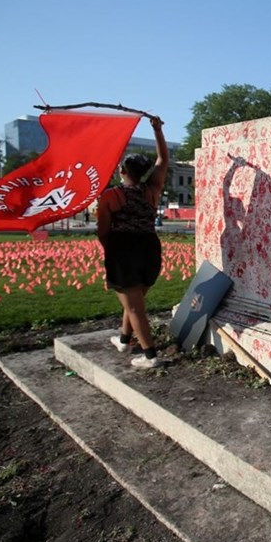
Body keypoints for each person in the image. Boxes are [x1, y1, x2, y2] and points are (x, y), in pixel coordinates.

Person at [97, 115, 169, 369]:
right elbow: (163, 160)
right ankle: (124, 340)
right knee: (134, 299)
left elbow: (102, 231)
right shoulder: (152, 190)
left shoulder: (110, 196)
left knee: (135, 307)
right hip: (149, 247)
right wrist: (158, 130)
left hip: (123, 250)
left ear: (122, 171)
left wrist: (112, 253)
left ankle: (150, 356)